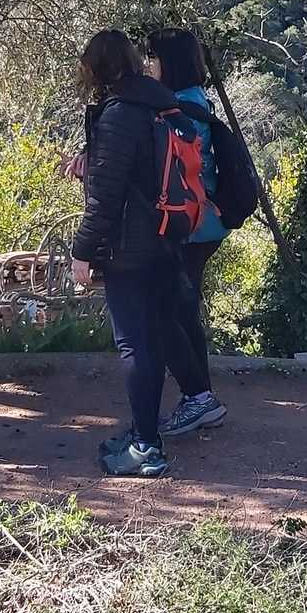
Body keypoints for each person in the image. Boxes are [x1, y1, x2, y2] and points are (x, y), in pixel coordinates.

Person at [70, 29, 191, 478]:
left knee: (133, 345)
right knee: (153, 340)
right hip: (168, 237)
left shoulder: (121, 114)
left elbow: (105, 196)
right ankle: (146, 433)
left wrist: (82, 252)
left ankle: (145, 447)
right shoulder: (163, 105)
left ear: (99, 68)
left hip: (131, 246)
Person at [145, 27, 229, 438]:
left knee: (167, 311)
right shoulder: (197, 100)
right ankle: (201, 397)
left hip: (189, 224)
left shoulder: (177, 109)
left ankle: (198, 398)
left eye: (153, 58)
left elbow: (170, 169)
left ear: (168, 63)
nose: (149, 65)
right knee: (182, 310)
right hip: (206, 222)